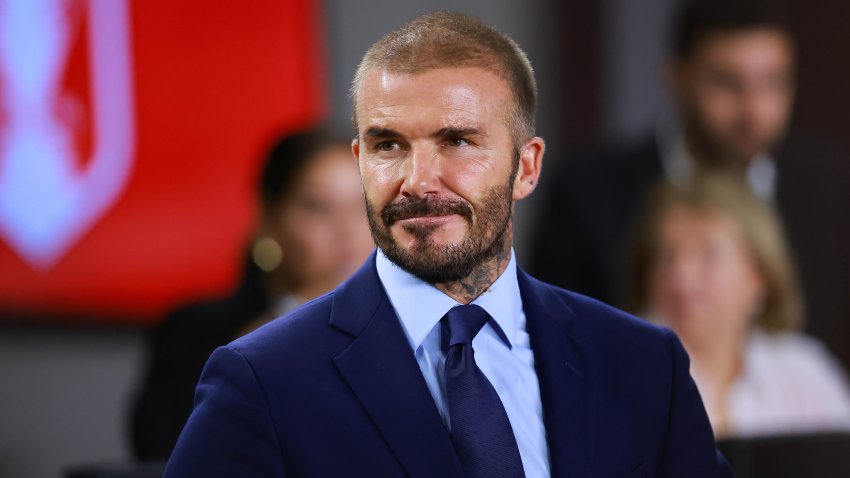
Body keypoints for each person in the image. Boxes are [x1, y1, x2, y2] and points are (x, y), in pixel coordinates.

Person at [165, 12, 732, 477]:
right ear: (361, 163)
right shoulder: (262, 380)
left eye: (457, 140)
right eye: (389, 145)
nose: (417, 180)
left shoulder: (640, 364)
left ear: (526, 168)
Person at [530, 0, 850, 368]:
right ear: (677, 76)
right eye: (728, 83)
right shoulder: (587, 194)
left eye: (773, 83)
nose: (754, 110)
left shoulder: (832, 196)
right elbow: (552, 347)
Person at [131, 128, 374, 460]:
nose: (347, 229)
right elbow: (165, 452)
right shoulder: (196, 333)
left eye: (362, 205)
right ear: (270, 218)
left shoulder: (416, 330)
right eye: (318, 207)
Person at [627, 173, 850, 439]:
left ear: (758, 275)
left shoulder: (803, 375)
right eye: (665, 257)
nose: (681, 275)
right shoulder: (625, 376)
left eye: (708, 254)